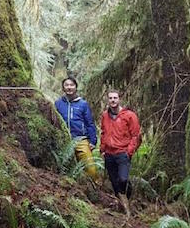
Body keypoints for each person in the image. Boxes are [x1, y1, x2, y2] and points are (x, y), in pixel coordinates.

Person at [100, 89, 141, 217]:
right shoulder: (105, 115)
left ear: (119, 99)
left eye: (115, 98)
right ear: (108, 100)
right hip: (109, 153)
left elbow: (136, 136)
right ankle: (122, 206)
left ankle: (127, 196)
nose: (113, 100)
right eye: (110, 98)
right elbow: (103, 132)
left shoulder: (129, 115)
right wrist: (102, 149)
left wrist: (129, 152)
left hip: (123, 153)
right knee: (114, 182)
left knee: (122, 179)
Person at [54, 77, 98, 179]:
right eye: (66, 85)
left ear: (75, 87)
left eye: (71, 85)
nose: (69, 87)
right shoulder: (58, 103)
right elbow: (55, 121)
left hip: (80, 139)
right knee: (67, 169)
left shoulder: (83, 104)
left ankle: (95, 188)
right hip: (64, 140)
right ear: (63, 88)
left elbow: (89, 123)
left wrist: (93, 141)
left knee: (90, 168)